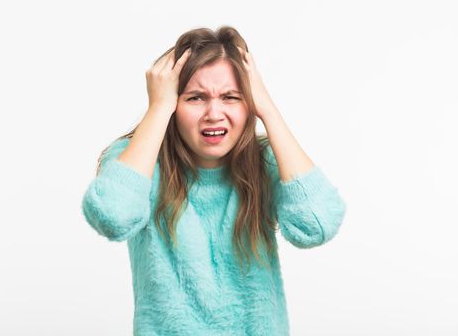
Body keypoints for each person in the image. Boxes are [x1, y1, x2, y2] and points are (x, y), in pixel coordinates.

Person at [81, 26, 347, 336]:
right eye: (195, 98)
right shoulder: (139, 159)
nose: (214, 113)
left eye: (231, 97)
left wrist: (269, 111)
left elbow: (318, 225)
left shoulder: (264, 160)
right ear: (173, 102)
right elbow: (113, 216)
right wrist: (158, 109)